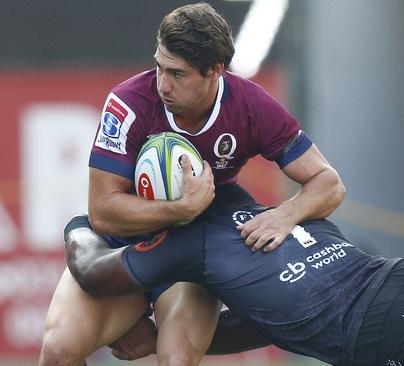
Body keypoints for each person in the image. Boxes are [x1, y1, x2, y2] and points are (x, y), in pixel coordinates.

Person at [39, 3, 345, 366]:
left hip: (195, 251)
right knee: (59, 351)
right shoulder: (129, 102)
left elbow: (329, 183)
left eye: (177, 74)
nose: (162, 84)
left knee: (177, 358)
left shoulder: (251, 106)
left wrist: (285, 215)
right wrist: (181, 208)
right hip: (125, 247)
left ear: (215, 70)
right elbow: (103, 212)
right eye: (158, 66)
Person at [63, 198, 404, 366]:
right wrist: (159, 339)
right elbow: (272, 322)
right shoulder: (280, 213)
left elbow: (91, 273)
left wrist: (84, 221)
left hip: (387, 330)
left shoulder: (191, 244)